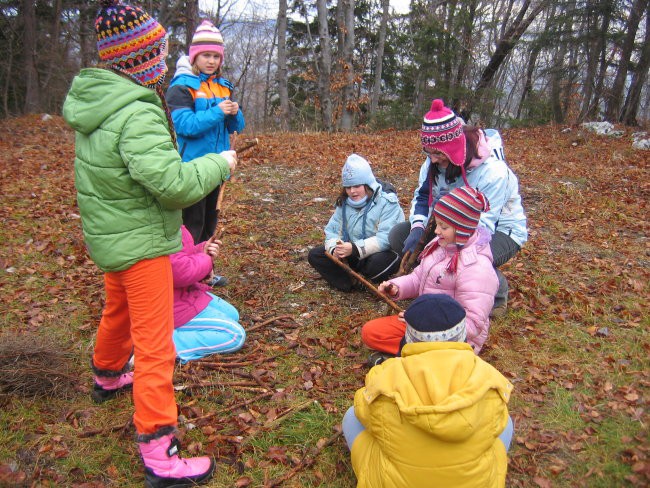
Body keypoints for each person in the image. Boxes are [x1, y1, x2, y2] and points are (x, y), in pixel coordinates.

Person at [62, 1, 237, 485]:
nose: (164, 60)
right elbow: (173, 184)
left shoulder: (100, 103)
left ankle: (106, 375)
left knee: (116, 311)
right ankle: (161, 452)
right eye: (158, 51)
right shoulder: (136, 111)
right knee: (156, 345)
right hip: (140, 245)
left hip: (114, 238)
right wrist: (219, 165)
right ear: (141, 57)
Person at [343, 294, 514, 488]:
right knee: (505, 421)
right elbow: (496, 422)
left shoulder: (386, 375)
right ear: (462, 337)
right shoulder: (487, 377)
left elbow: (362, 410)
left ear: (408, 338)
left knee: (351, 416)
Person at [389, 99, 527, 316]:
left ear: (453, 149)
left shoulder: (494, 173)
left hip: (499, 231)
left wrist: (435, 246)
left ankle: (495, 290)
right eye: (428, 153)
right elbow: (423, 196)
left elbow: (481, 228)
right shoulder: (433, 161)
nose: (432, 160)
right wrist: (417, 229)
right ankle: (435, 281)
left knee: (468, 257)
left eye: (438, 154)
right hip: (445, 226)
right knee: (399, 235)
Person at [362, 186, 498, 362]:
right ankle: (418, 357)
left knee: (430, 353)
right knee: (371, 333)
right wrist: (397, 287)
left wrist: (424, 324)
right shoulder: (441, 245)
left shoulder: (477, 268)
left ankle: (421, 359)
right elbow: (419, 277)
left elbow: (472, 324)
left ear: (463, 228)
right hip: (423, 323)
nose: (436, 231)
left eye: (444, 227)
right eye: (437, 224)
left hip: (454, 339)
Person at [166, 19, 245, 253]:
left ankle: (204, 271)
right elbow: (185, 126)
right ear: (194, 57)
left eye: (216, 56)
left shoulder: (223, 86)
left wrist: (234, 112)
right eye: (206, 56)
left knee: (210, 223)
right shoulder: (181, 86)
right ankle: (187, 275)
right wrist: (218, 111)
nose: (211, 61)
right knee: (191, 225)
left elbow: (236, 127)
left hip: (218, 165)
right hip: (192, 168)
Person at [308, 154, 405, 292]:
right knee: (315, 255)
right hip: (352, 252)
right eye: (348, 187)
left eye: (357, 186)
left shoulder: (387, 203)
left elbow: (386, 239)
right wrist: (335, 249)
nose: (352, 191)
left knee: (378, 264)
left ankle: (367, 278)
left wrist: (355, 248)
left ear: (367, 184)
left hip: (379, 253)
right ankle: (351, 282)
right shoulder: (344, 203)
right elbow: (332, 232)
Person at [171, 225, 246, 362]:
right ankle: (163, 346)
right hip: (168, 306)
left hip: (184, 294)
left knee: (232, 315)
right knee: (235, 335)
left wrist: (200, 250)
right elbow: (180, 271)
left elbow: (182, 255)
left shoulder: (172, 221)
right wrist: (205, 260)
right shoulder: (156, 228)